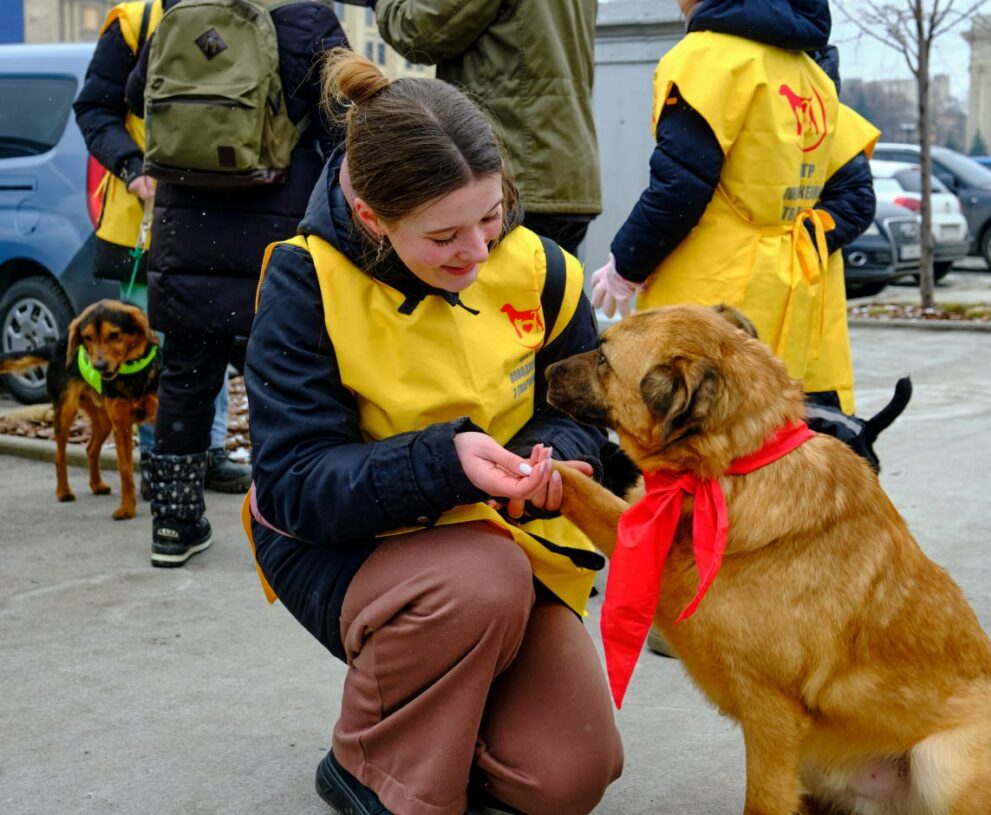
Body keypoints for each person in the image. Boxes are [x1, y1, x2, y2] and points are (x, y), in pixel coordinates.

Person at [243, 50, 623, 815]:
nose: (479, 252)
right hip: (346, 548)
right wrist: (446, 463)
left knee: (571, 776)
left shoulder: (545, 270)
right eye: (445, 236)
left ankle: (455, 700)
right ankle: (371, 767)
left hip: (506, 545)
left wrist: (559, 467)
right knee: (482, 579)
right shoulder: (305, 280)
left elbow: (586, 420)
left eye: (491, 216)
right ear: (370, 219)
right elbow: (294, 480)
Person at [122, 0, 348, 567]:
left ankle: (173, 526)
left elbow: (135, 96)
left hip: (187, 225)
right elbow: (341, 123)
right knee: (284, 378)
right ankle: (286, 516)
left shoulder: (185, 11)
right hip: (274, 227)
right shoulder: (308, 19)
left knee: (186, 377)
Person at [590, 0, 879, 415]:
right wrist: (807, 241)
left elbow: (682, 185)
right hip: (792, 293)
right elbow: (855, 195)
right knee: (773, 438)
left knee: (699, 436)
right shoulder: (812, 74)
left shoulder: (707, 59)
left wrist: (627, 264)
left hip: (713, 291)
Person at [72, 0, 251, 499]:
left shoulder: (253, 12)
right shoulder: (135, 22)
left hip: (225, 211)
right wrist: (132, 169)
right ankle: (161, 459)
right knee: (163, 341)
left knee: (205, 333)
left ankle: (204, 453)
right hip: (149, 214)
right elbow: (94, 108)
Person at [371, 0, 602, 256]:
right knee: (548, 290)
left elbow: (417, 30)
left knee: (490, 293)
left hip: (506, 177)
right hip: (564, 169)